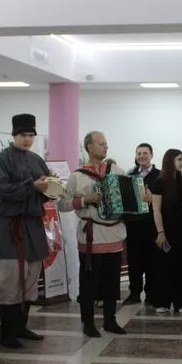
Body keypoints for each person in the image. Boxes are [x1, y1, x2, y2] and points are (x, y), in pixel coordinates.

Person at [0, 114, 50, 348]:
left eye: (31, 135)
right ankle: (7, 332)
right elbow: (2, 190)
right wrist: (31, 186)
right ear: (14, 135)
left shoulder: (37, 160)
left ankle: (21, 326)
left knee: (31, 279)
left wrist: (51, 187)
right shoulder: (1, 159)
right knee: (10, 280)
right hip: (10, 227)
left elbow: (45, 193)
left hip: (33, 226)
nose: (27, 139)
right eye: (23, 135)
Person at [58, 131, 129, 337]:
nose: (106, 147)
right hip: (92, 236)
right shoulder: (77, 176)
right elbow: (62, 204)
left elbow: (128, 195)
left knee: (112, 282)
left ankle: (110, 320)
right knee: (89, 283)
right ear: (89, 147)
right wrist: (84, 200)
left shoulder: (117, 171)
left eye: (106, 143)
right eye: (101, 143)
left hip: (114, 234)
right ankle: (88, 322)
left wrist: (143, 196)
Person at [150, 149, 182, 314]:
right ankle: (163, 301)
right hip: (166, 228)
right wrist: (160, 232)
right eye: (179, 159)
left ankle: (181, 301)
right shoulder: (160, 182)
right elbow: (156, 209)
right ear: (170, 161)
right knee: (165, 265)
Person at [124, 142, 159, 305]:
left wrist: (153, 199)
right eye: (139, 153)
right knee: (134, 260)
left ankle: (151, 294)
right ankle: (134, 293)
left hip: (152, 225)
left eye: (145, 153)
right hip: (133, 225)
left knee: (153, 260)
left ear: (151, 155)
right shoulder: (129, 175)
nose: (142, 156)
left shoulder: (159, 176)